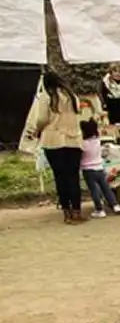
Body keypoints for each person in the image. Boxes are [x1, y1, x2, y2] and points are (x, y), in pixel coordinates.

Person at [22, 71, 84, 224]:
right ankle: (77, 211)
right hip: (73, 139)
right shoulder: (72, 95)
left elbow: (42, 118)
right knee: (73, 176)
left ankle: (67, 212)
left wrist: (37, 130)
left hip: (53, 139)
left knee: (60, 177)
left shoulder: (46, 96)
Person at [80, 119, 120, 218]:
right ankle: (115, 205)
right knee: (106, 188)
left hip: (88, 169)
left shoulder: (83, 144)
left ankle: (99, 209)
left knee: (94, 190)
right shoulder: (97, 141)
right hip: (99, 167)